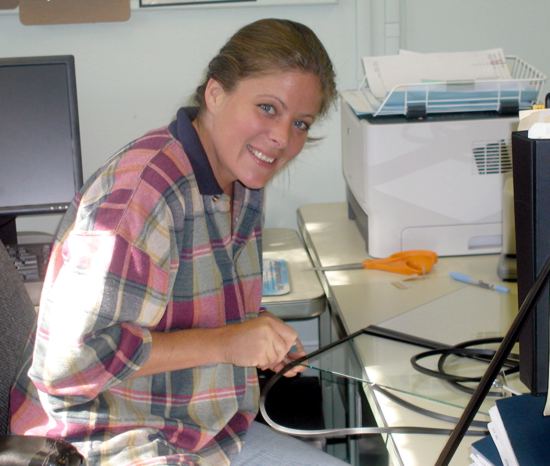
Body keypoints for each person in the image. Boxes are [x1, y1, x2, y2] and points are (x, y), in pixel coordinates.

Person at [10, 18, 347, 466]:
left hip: (203, 433)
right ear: (215, 93)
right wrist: (229, 342)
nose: (283, 138)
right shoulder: (141, 197)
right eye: (268, 108)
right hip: (105, 441)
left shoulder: (242, 179)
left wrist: (259, 333)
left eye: (301, 122)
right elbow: (70, 363)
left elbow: (187, 312)